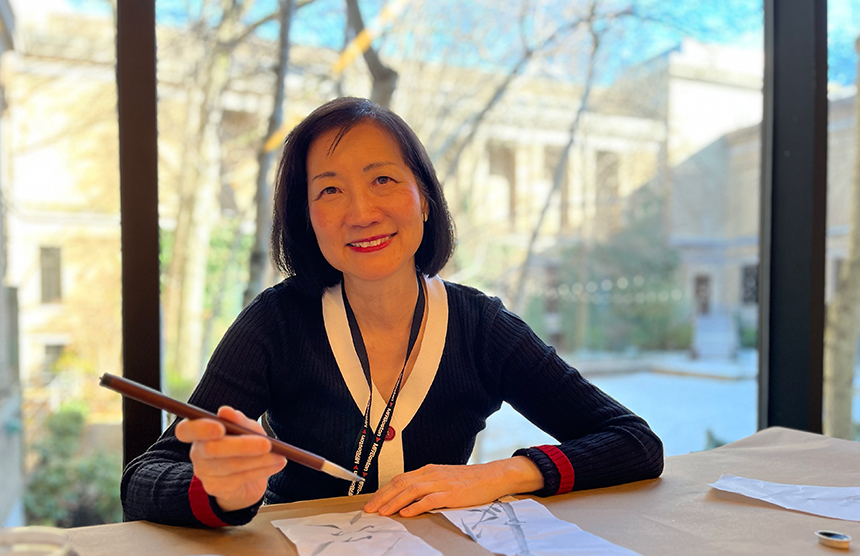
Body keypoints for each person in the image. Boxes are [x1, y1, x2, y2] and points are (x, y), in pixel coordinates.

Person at [121, 97, 663, 528]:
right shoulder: (277, 323)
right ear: (306, 219)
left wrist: (501, 475)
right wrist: (221, 493)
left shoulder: (480, 327)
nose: (361, 213)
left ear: (424, 199)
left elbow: (634, 441)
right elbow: (144, 478)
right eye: (330, 190)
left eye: (383, 180)